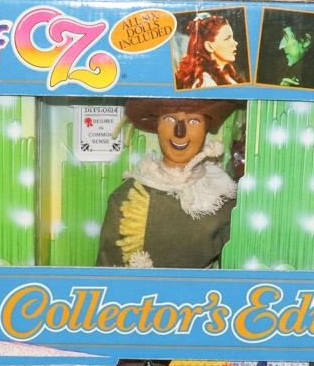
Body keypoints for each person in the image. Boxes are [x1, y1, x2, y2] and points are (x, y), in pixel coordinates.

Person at [97, 98, 238, 269]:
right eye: (170, 119)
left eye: (193, 121)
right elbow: (108, 271)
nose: (180, 131)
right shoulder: (128, 197)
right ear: (158, 125)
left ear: (206, 127)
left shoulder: (220, 197)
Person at [174, 13, 243, 89]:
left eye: (232, 38)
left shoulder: (226, 75)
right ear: (209, 46)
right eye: (227, 39)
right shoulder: (206, 83)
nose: (235, 43)